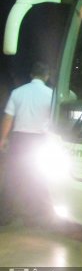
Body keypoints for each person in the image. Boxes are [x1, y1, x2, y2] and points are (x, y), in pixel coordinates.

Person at [0, 62, 54, 226]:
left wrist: (3, 139)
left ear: (31, 75)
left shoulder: (17, 93)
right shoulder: (51, 95)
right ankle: (37, 216)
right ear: (47, 76)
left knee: (12, 178)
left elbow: (9, 118)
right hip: (40, 140)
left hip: (19, 140)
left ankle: (5, 215)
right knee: (39, 176)